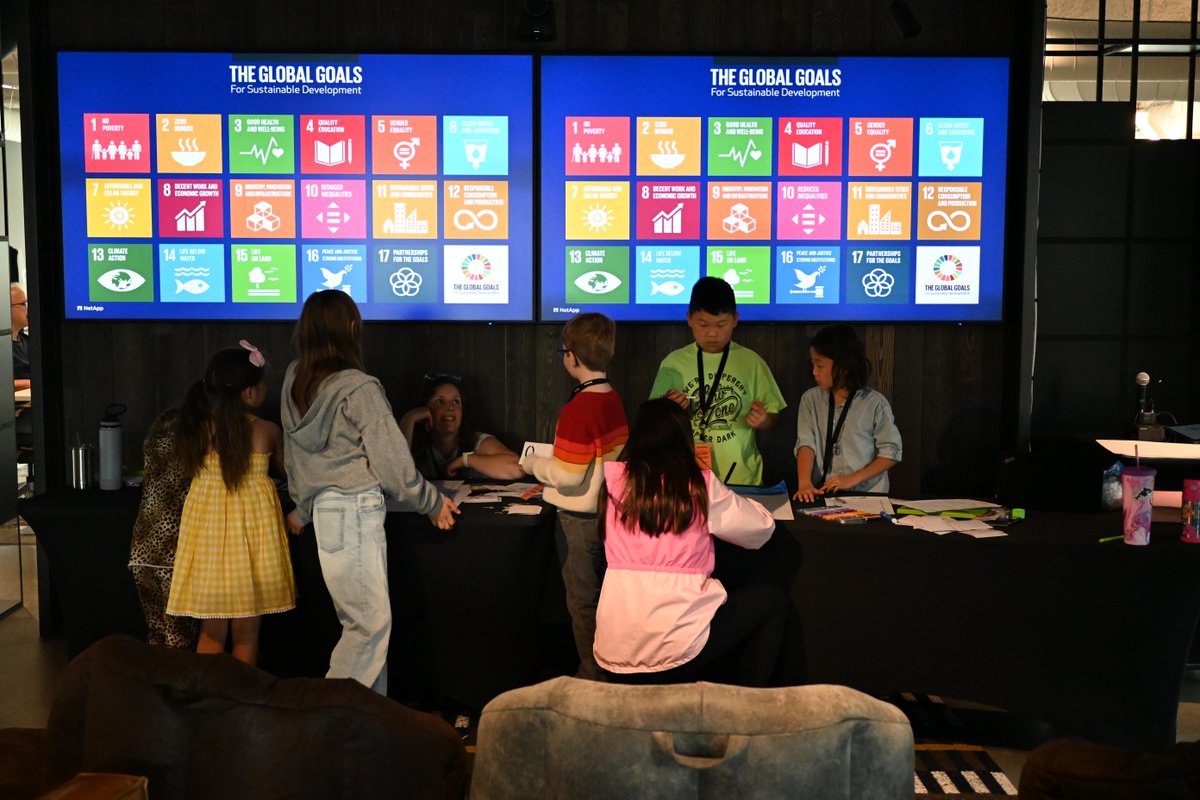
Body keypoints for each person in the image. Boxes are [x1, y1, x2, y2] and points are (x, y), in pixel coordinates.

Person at [281, 289, 458, 695]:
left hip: (326, 515)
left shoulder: (295, 379)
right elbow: (393, 463)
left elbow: (298, 456)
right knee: (369, 627)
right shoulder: (358, 388)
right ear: (352, 330)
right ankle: (330, 717)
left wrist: (304, 508)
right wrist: (431, 503)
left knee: (361, 625)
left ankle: (368, 727)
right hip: (356, 510)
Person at [594, 398, 787, 687]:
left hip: (614, 650)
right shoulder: (697, 484)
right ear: (685, 437)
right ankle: (751, 708)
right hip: (675, 649)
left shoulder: (613, 482)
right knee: (773, 601)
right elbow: (760, 529)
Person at [165, 341, 296, 666]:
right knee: (248, 633)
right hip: (252, 545)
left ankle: (205, 703)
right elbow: (289, 473)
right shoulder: (266, 431)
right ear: (250, 393)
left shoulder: (194, 431)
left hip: (207, 543)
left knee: (210, 632)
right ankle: (239, 706)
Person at [522, 312, 628, 680]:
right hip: (606, 512)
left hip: (576, 520)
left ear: (571, 357)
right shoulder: (611, 397)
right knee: (601, 598)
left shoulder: (579, 407)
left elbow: (567, 476)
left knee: (582, 602)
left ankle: (592, 675)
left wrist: (533, 462)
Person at [650, 276, 786, 486]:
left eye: (721, 324)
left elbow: (774, 416)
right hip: (686, 477)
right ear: (689, 319)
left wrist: (764, 419)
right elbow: (654, 421)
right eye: (703, 324)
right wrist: (671, 410)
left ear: (735, 320)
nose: (712, 333)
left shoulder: (751, 362)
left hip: (742, 478)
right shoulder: (673, 363)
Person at [793, 324, 902, 503]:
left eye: (820, 366)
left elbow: (891, 453)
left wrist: (852, 479)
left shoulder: (874, 403)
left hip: (869, 496)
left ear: (843, 366)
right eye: (812, 364)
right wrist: (804, 484)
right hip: (823, 493)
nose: (814, 372)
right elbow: (805, 443)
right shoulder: (810, 399)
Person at [127, 407, 199, 650]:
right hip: (173, 551)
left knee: (156, 630)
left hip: (141, 552)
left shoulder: (149, 446)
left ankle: (155, 680)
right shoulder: (190, 450)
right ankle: (177, 684)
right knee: (178, 632)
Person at [400, 373, 524, 480]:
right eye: (439, 401)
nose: (450, 407)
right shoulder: (414, 441)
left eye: (456, 401)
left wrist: (466, 460)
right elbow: (395, 475)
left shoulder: (477, 441)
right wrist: (409, 419)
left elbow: (517, 469)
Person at [10, 283, 29, 393]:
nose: (28, 309)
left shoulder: (27, 340)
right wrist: (33, 382)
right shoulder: (4, 345)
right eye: (24, 304)